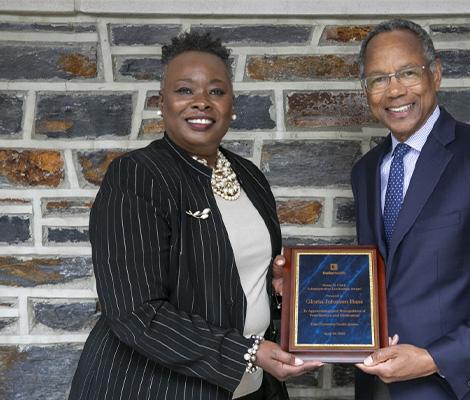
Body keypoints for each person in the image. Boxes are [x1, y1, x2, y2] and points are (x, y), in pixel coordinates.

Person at [68, 31, 320, 400]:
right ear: (161, 102)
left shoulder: (250, 176)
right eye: (185, 90)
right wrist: (247, 352)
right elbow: (135, 312)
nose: (201, 102)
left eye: (216, 92)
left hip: (248, 387)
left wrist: (277, 289)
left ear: (232, 104)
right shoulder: (138, 176)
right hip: (153, 388)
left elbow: (231, 279)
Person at [350, 19, 470, 399]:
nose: (394, 90)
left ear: (435, 74)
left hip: (461, 389)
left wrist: (433, 358)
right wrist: (296, 285)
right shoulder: (366, 171)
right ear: (366, 90)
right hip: (377, 389)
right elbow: (386, 278)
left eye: (407, 73)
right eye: (378, 79)